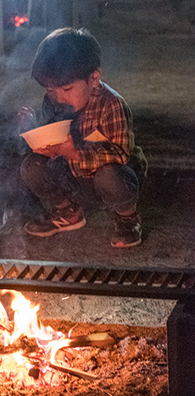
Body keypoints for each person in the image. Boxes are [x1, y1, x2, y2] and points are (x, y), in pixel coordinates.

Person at [20, 28, 147, 248]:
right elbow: (49, 134)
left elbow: (120, 153)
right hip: (72, 177)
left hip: (110, 179)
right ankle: (67, 211)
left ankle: (127, 217)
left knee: (110, 174)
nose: (59, 97)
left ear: (94, 78)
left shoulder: (111, 104)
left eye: (67, 89)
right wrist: (32, 129)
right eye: (51, 90)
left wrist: (75, 152)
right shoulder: (53, 102)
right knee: (30, 166)